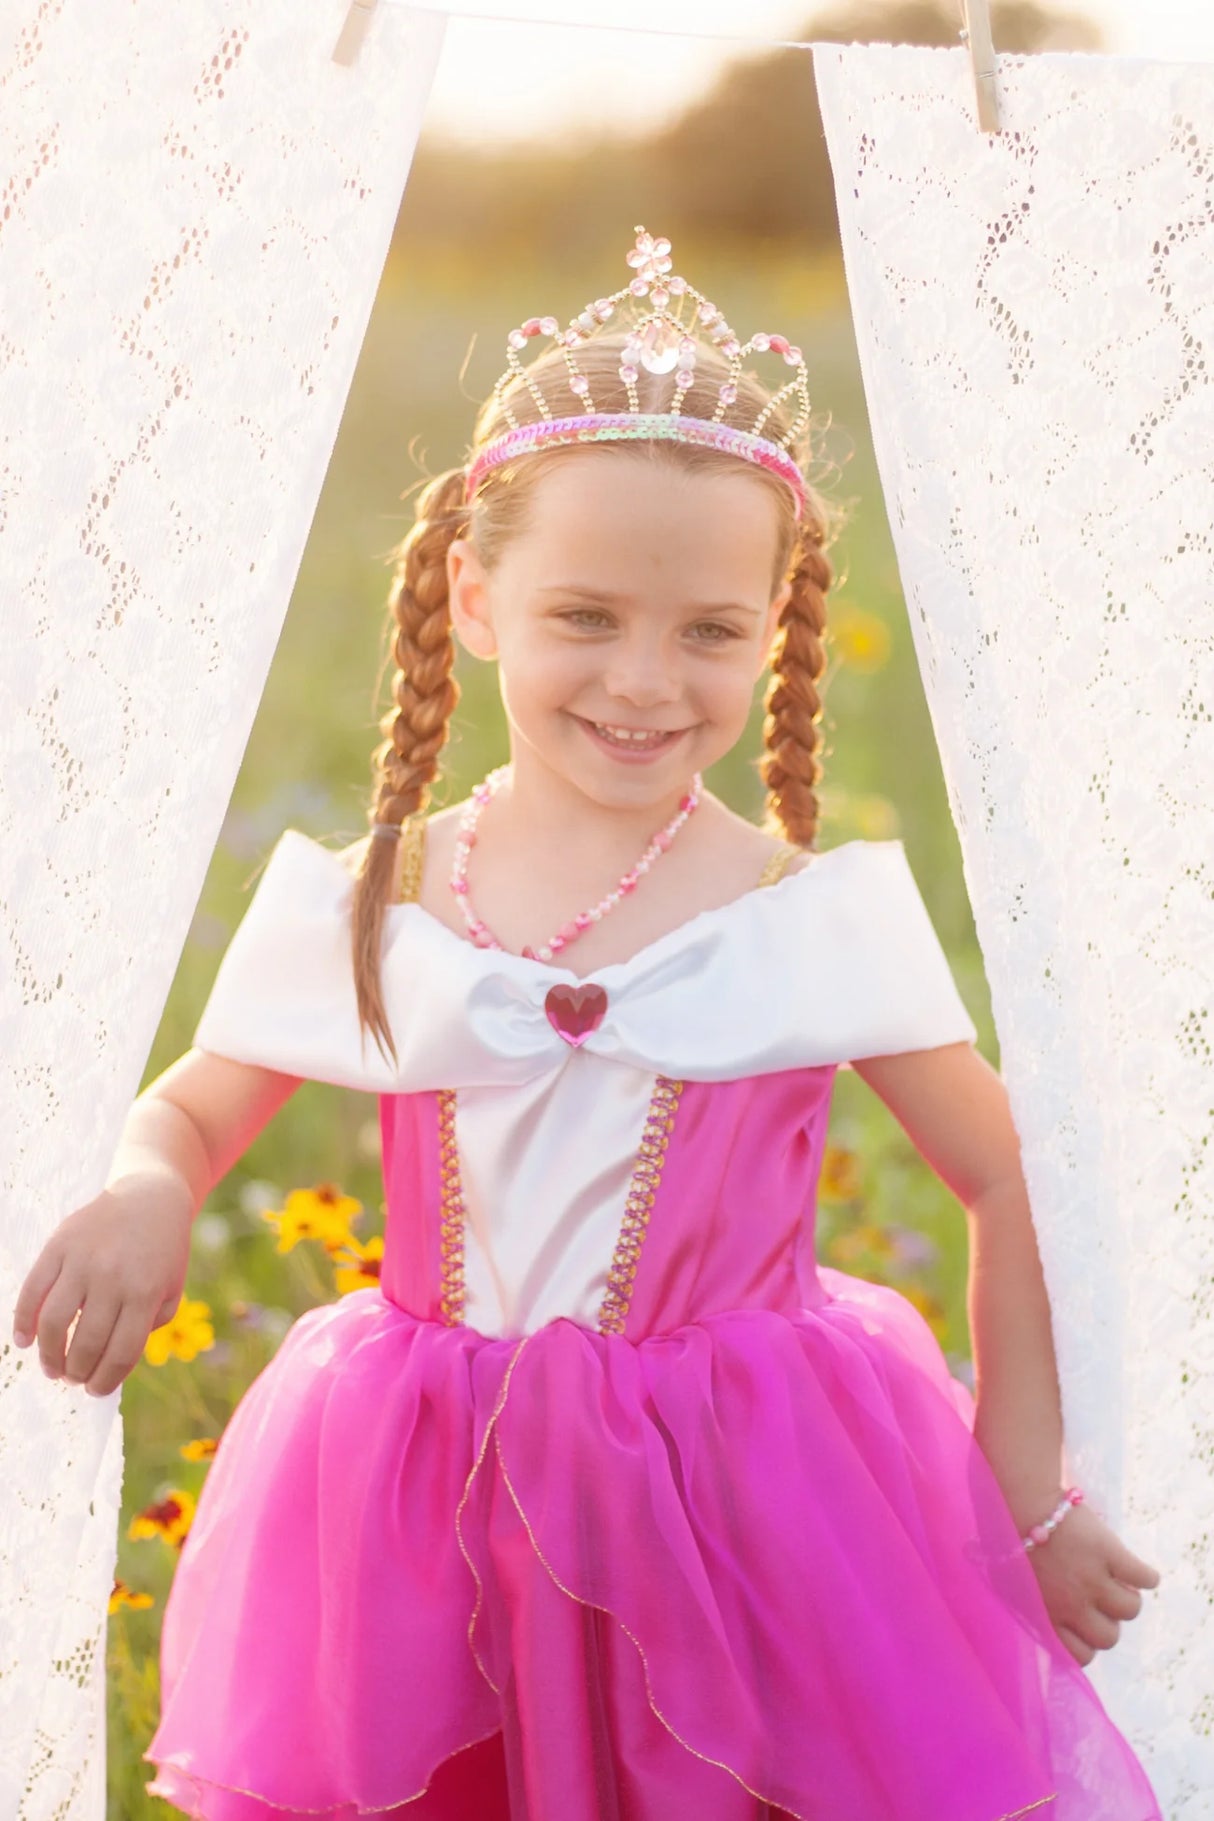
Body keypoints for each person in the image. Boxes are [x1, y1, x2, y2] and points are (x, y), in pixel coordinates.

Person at [12, 228, 1162, 1820]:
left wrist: (1021, 1496)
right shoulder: (381, 898)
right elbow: (194, 1109)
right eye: (584, 616)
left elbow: (1006, 1170)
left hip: (751, 1509)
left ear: (773, 632)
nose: (643, 678)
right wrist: (151, 1187)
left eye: (705, 630)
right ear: (475, 602)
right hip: (430, 1502)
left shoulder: (800, 913)